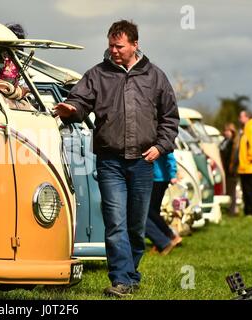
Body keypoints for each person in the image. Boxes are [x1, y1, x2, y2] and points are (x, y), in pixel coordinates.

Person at [53, 20, 179, 297]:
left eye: (119, 46)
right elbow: (80, 102)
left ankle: (130, 275)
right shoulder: (97, 74)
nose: (113, 50)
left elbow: (170, 118)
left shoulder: (155, 76)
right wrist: (70, 109)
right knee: (115, 222)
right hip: (109, 161)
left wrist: (161, 147)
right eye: (110, 45)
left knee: (136, 226)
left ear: (135, 44)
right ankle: (121, 279)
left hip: (144, 162)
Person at [145, 152, 182, 255]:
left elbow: (170, 156)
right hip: (155, 178)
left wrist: (173, 174)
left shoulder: (160, 139)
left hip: (159, 179)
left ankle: (171, 235)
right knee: (154, 210)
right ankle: (161, 242)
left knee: (150, 211)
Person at [219, 123, 239, 216]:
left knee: (232, 191)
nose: (226, 133)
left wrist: (232, 168)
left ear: (232, 132)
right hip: (225, 170)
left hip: (232, 170)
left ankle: (232, 211)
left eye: (229, 131)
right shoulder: (224, 142)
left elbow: (234, 157)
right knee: (228, 190)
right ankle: (229, 209)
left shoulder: (234, 143)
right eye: (225, 131)